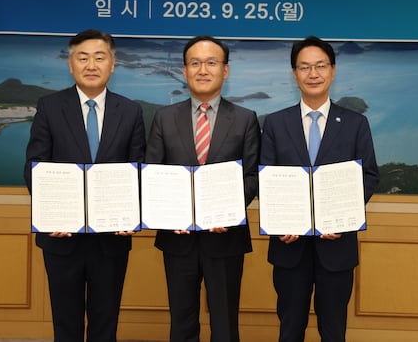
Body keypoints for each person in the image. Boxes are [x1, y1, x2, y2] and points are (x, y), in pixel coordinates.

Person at [24, 29, 146, 342]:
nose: (91, 65)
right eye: (83, 58)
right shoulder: (50, 106)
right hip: (61, 237)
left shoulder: (130, 111)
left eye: (99, 57)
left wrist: (133, 214)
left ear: (112, 64)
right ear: (71, 64)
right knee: (66, 324)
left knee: (106, 323)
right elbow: (35, 166)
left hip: (111, 238)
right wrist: (51, 215)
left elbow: (138, 169)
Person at [260, 36, 379, 342]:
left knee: (333, 331)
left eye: (320, 66)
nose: (313, 74)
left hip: (337, 247)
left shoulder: (355, 123)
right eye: (305, 67)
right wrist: (280, 223)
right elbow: (267, 179)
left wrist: (343, 217)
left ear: (333, 71)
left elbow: (369, 176)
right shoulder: (275, 123)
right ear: (294, 73)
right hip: (289, 247)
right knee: (290, 329)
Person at [145, 35, 261, 342]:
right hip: (177, 238)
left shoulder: (245, 119)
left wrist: (227, 212)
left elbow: (252, 176)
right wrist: (169, 216)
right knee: (181, 321)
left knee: (225, 324)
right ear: (184, 71)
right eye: (195, 63)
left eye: (211, 62)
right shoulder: (164, 118)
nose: (203, 70)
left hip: (226, 238)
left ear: (225, 70)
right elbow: (153, 173)